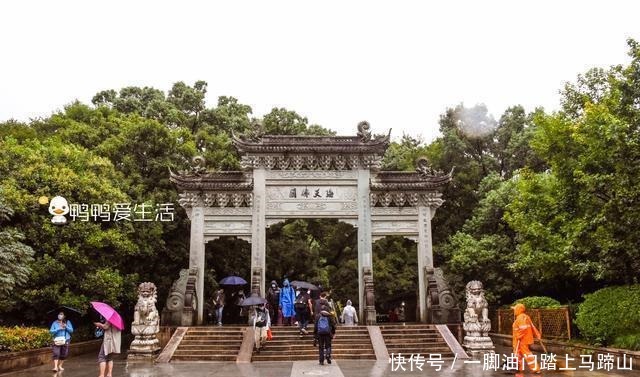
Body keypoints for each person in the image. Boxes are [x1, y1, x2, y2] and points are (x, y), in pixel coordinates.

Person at [512, 303, 542, 373]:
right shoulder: (526, 317)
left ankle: (536, 369)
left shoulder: (520, 318)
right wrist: (537, 335)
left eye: (515, 309)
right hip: (523, 339)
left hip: (521, 340)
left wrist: (519, 336)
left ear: (518, 310)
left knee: (527, 354)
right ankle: (518, 368)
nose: (514, 311)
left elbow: (524, 328)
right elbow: (532, 326)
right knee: (518, 354)